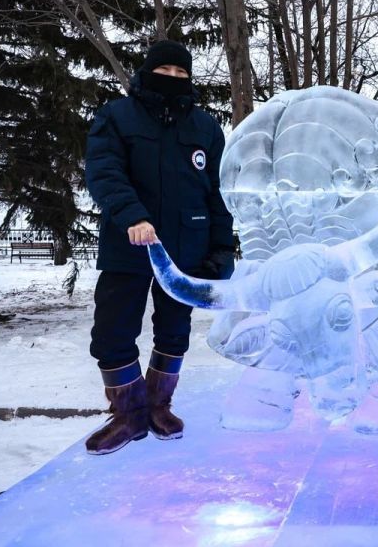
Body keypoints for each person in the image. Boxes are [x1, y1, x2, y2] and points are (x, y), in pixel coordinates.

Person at [83, 40, 235, 455]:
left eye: (181, 73)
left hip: (187, 248)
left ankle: (158, 406)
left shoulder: (205, 128)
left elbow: (220, 193)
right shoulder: (116, 116)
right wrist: (133, 216)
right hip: (128, 244)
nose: (172, 79)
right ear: (147, 72)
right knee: (112, 333)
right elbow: (104, 172)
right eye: (164, 71)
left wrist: (221, 249)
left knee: (174, 332)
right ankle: (129, 414)